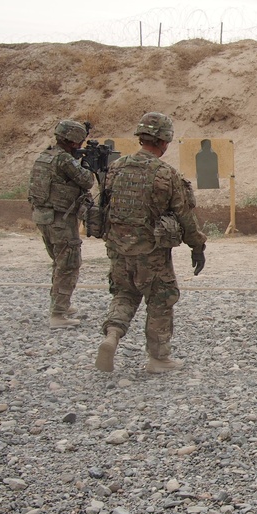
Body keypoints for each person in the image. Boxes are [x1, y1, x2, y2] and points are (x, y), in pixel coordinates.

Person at [95, 112, 206, 374]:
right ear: (164, 141)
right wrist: (197, 246)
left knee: (124, 294)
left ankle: (112, 335)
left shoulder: (116, 167)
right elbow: (185, 216)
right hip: (152, 252)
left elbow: (104, 206)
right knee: (160, 300)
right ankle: (158, 358)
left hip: (118, 249)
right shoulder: (165, 174)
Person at [28, 119, 95, 329]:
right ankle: (58, 314)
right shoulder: (64, 160)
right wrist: (87, 166)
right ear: (74, 142)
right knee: (69, 263)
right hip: (60, 219)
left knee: (59, 262)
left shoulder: (45, 156)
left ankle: (60, 304)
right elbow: (87, 181)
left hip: (43, 217)